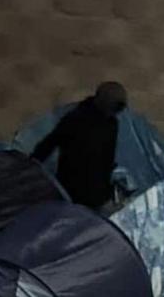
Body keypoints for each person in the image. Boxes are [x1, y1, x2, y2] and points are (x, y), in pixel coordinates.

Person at [38, 82, 132, 211]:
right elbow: (50, 143)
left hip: (95, 191)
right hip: (76, 191)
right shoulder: (76, 121)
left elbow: (107, 157)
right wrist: (32, 162)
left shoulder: (110, 124)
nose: (116, 113)